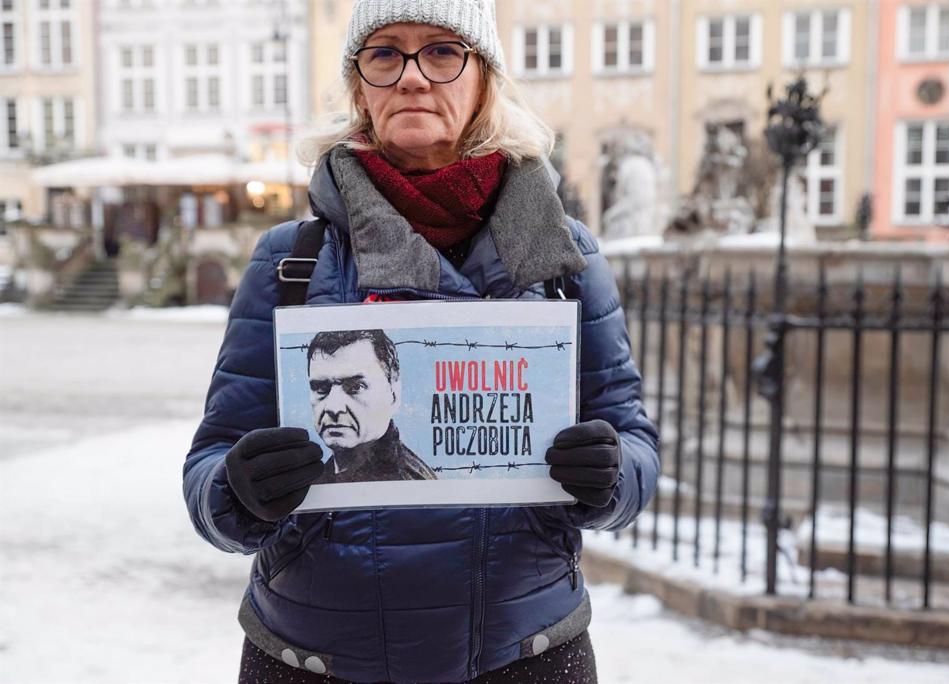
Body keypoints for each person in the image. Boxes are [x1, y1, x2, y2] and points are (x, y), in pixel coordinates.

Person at [182, 1, 659, 682]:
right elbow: (210, 462)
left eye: (442, 51)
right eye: (385, 53)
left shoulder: (565, 256)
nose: (412, 76)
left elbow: (634, 438)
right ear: (359, 87)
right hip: (315, 658)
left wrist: (612, 477)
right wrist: (237, 490)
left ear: (484, 79)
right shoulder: (290, 261)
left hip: (522, 655)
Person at [306, 329, 437, 483]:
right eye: (321, 388)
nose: (333, 408)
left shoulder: (411, 485)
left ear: (393, 395)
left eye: (356, 387)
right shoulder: (318, 479)